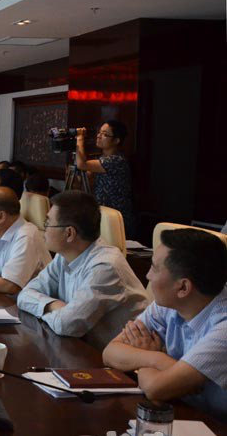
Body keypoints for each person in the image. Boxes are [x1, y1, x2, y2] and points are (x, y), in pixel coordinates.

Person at [103, 229, 226, 420]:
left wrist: (143, 355)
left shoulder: (223, 327)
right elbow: (110, 352)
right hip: (183, 412)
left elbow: (155, 389)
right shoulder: (170, 303)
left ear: (183, 287)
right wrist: (157, 359)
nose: (148, 275)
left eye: (154, 268)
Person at [16, 190, 149, 349]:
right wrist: (52, 305)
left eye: (47, 223)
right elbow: (24, 295)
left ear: (69, 233)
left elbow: (67, 325)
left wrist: (45, 309)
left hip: (119, 358)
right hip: (83, 348)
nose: (44, 230)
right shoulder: (64, 256)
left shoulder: (105, 267)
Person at [75, 120, 135, 235]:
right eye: (99, 132)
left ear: (116, 140)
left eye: (105, 134)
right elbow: (84, 182)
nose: (99, 136)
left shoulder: (117, 160)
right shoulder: (100, 158)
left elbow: (82, 164)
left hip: (116, 220)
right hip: (103, 216)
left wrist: (80, 138)